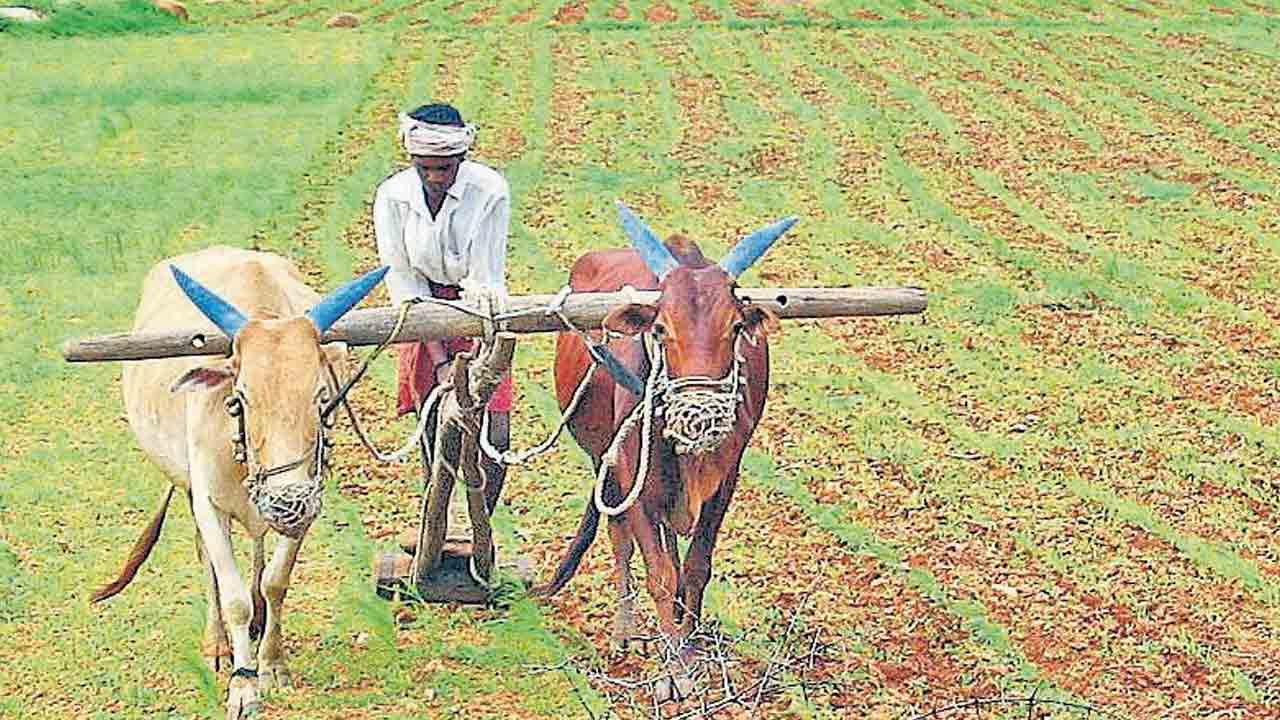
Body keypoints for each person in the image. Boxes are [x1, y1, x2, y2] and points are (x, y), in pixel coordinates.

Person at [373, 102, 512, 514]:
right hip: (421, 312)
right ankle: (436, 522)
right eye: (425, 167)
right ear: (412, 160)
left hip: (478, 307)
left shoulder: (490, 191)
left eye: (445, 168)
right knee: (435, 424)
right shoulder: (393, 196)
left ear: (462, 158)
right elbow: (403, 280)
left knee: (496, 433)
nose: (435, 177)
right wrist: (439, 362)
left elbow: (485, 277)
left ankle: (478, 525)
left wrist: (477, 361)